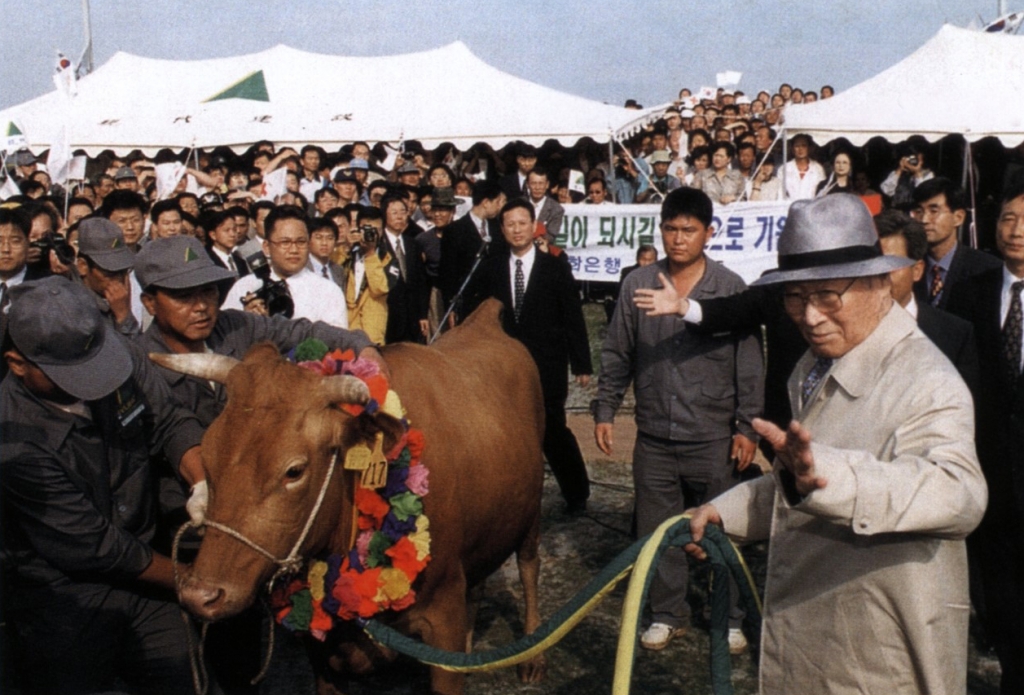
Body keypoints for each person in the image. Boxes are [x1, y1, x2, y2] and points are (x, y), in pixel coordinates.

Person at [684, 193, 987, 694]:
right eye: (795, 297)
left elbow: (960, 493)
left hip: (878, 657)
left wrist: (828, 479)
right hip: (823, 639)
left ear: (878, 284)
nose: (810, 316)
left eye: (827, 296)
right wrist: (726, 512)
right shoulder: (818, 363)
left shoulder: (926, 377)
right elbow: (799, 480)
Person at [1, 275, 206, 695]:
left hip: (146, 573)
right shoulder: (13, 438)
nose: (97, 380)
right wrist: (186, 578)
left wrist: (203, 481)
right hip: (64, 598)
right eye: (74, 375)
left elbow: (169, 421)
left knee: (190, 679)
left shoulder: (115, 355)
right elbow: (92, 544)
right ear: (18, 364)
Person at [596, 187, 763, 653]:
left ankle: (728, 615)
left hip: (713, 435)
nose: (678, 238)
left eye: (689, 230)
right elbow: (617, 351)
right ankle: (668, 613)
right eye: (670, 228)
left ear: (709, 233)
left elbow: (750, 364)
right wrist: (605, 409)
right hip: (655, 433)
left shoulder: (729, 288)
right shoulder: (638, 284)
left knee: (723, 530)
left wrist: (747, 427)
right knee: (658, 531)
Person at [947, 179, 1024, 694]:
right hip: (990, 477)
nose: (1015, 231)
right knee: (1001, 599)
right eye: (1008, 219)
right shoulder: (971, 291)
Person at [469, 199, 592, 514]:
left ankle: (576, 492)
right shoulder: (491, 267)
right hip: (504, 365)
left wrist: (581, 363)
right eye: (510, 224)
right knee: (507, 428)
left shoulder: (555, 266)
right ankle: (511, 495)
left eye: (522, 223)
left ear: (533, 226)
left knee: (551, 427)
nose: (516, 230)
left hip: (547, 363)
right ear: (502, 229)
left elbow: (572, 316)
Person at [223, 206, 348, 328]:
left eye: (301, 242)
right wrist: (244, 321)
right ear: (266, 247)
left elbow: (336, 339)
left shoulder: (328, 292)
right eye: (285, 242)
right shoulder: (245, 286)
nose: (294, 250)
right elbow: (222, 334)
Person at [910, 177, 1001, 310]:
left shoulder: (987, 269)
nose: (924, 219)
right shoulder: (908, 265)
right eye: (919, 211)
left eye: (934, 211)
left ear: (958, 217)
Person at [438, 180, 506, 323]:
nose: (500, 207)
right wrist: (451, 308)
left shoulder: (497, 228)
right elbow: (448, 272)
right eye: (497, 202)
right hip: (467, 303)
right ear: (486, 202)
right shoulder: (455, 230)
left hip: (494, 302)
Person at [74, 217, 141, 335]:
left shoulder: (117, 303)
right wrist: (123, 316)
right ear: (83, 266)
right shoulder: (70, 308)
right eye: (109, 273)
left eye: (123, 272)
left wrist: (125, 317)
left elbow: (138, 346)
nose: (118, 280)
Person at [378, 193, 428, 343]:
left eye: (403, 212)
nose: (399, 217)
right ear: (384, 215)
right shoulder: (378, 245)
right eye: (394, 213)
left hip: (412, 318)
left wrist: (423, 315)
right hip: (387, 315)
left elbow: (421, 282)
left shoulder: (413, 244)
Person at [344, 207, 390, 343]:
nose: (371, 234)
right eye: (366, 229)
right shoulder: (347, 255)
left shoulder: (388, 258)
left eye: (376, 230)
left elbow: (379, 289)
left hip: (372, 329)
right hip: (346, 325)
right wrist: (346, 247)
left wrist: (370, 254)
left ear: (382, 231)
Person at [881, 140, 934, 209]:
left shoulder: (928, 174)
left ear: (922, 158)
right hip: (897, 212)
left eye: (916, 157)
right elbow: (887, 191)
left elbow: (925, 194)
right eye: (910, 157)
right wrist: (899, 170)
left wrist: (917, 173)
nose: (913, 160)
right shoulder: (897, 173)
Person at [782, 133, 825, 200]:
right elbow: (781, 193)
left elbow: (822, 192)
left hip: (812, 205)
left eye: (804, 145)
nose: (800, 149)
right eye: (797, 146)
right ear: (792, 149)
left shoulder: (818, 168)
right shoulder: (784, 168)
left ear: (809, 148)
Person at [526, 169, 564, 243]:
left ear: (547, 185)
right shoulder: (517, 204)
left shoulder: (556, 209)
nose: (537, 188)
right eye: (533, 183)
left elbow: (551, 236)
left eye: (541, 183)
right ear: (527, 184)